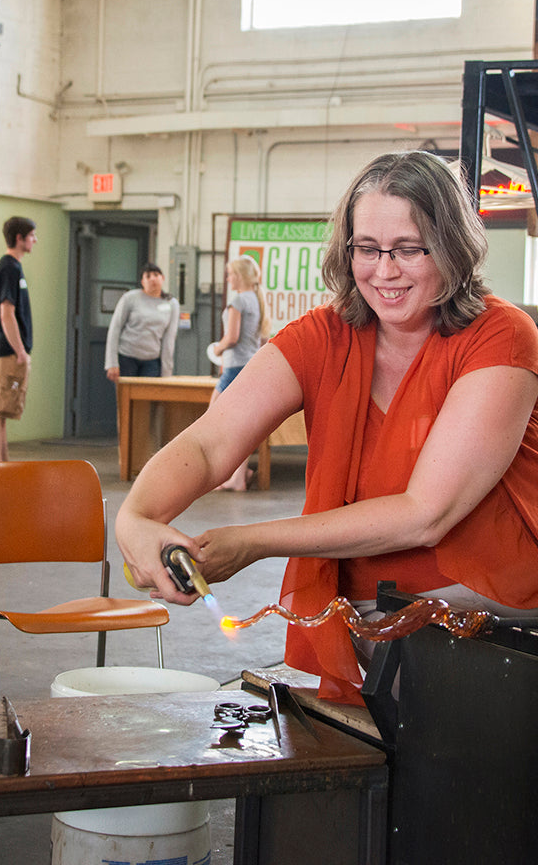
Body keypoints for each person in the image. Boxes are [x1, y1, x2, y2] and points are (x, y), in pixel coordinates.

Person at [116, 150, 538, 705]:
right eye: (367, 249)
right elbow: (210, 440)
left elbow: (425, 513)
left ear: (453, 247)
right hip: (369, 616)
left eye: (409, 249)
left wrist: (252, 542)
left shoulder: (500, 336)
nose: (384, 271)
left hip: (495, 616)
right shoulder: (323, 337)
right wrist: (136, 518)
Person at [210, 255, 271, 490]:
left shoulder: (238, 301)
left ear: (240, 276)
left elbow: (232, 337)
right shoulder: (257, 300)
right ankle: (239, 473)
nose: (228, 278)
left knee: (214, 421)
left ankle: (232, 476)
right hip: (248, 365)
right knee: (242, 424)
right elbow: (263, 340)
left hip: (234, 367)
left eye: (230, 274)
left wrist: (217, 348)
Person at [0, 216, 37, 462]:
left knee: (4, 410)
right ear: (19, 238)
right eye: (32, 235)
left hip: (10, 350)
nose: (35, 240)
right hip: (9, 350)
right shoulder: (8, 268)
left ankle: (3, 464)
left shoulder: (13, 268)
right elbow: (6, 313)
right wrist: (20, 350)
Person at [104, 262, 180, 382]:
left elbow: (169, 338)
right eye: (148, 276)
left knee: (147, 398)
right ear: (142, 282)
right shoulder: (130, 298)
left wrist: (167, 372)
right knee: (125, 398)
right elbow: (115, 328)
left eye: (156, 275)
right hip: (127, 357)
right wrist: (112, 363)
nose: (152, 279)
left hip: (152, 360)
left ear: (163, 278)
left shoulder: (171, 303)